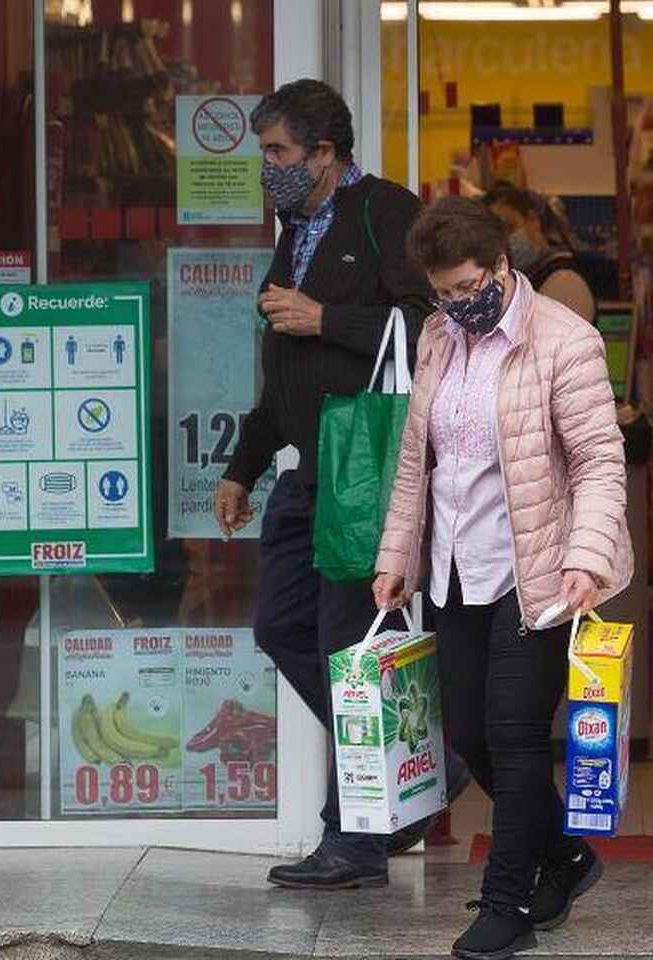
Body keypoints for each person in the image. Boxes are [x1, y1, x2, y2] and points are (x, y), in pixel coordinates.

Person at [211, 78, 464, 890]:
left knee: (350, 651)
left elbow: (433, 324)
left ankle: (355, 838)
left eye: (279, 152)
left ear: (325, 153)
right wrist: (244, 464)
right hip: (306, 472)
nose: (268, 167)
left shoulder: (384, 212)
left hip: (365, 470)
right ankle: (424, 758)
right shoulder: (296, 229)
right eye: (263, 152)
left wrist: (327, 318)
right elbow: (285, 366)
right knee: (281, 627)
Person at [373, 197, 632, 960]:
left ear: (499, 266)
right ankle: (567, 858)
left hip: (540, 570)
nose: (455, 304)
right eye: (441, 293)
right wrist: (396, 558)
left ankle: (507, 901)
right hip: (456, 568)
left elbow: (599, 459)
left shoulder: (565, 340)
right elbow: (417, 460)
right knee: (469, 734)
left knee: (515, 736)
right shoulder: (437, 337)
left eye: (465, 288)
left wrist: (587, 557)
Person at [482, 185, 596, 324]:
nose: (504, 241)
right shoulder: (524, 278)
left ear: (533, 220)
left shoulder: (564, 280)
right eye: (493, 236)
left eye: (509, 228)